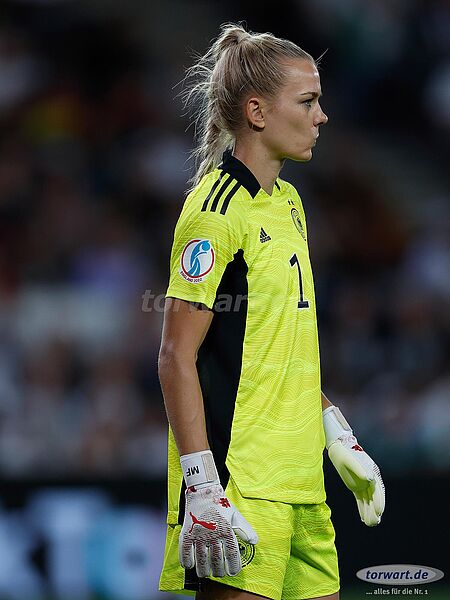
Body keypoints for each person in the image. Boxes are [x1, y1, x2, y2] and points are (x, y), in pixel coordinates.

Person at [158, 23, 385, 600]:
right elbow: (175, 354)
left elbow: (277, 344)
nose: (321, 116)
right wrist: (201, 485)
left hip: (303, 482)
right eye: (307, 102)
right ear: (256, 112)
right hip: (241, 485)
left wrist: (335, 430)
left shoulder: (290, 203)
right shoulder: (215, 212)